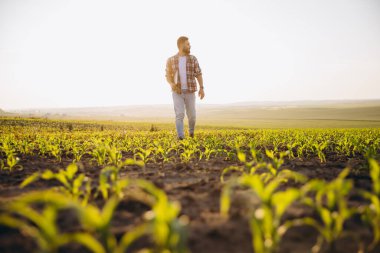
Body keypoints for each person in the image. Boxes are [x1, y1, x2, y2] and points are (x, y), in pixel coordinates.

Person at [165, 36, 205, 140]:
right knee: (180, 114)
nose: (189, 46)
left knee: (192, 116)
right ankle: (181, 137)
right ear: (181, 45)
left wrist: (201, 88)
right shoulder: (171, 60)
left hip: (190, 92)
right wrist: (172, 84)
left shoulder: (193, 59)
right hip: (177, 92)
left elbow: (199, 74)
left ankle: (191, 133)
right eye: (187, 44)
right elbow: (167, 76)